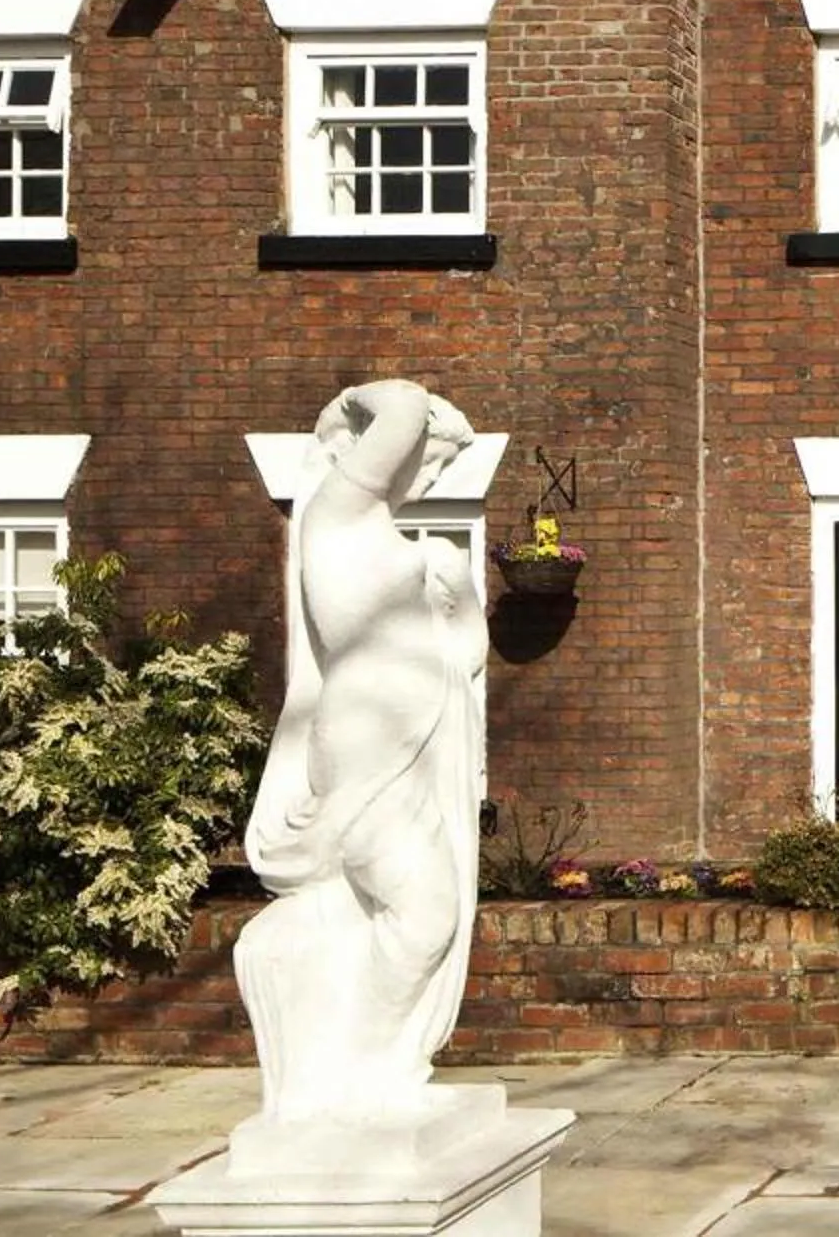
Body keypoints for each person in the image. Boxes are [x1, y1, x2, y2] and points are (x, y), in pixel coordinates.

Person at [234, 381, 484, 1127]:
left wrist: (456, 591)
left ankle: (366, 1067)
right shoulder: (335, 516)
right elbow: (402, 405)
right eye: (426, 460)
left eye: (438, 469)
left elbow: (469, 655)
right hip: (368, 736)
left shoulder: (416, 551)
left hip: (421, 732)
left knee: (419, 915)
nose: (427, 478)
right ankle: (350, 1071)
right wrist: (361, 400)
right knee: (422, 914)